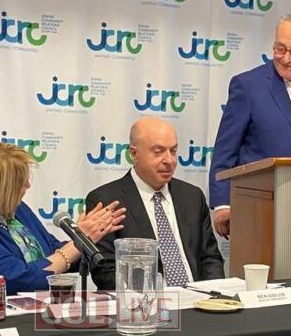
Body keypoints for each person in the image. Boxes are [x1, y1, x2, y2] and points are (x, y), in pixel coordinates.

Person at [0, 141, 126, 300]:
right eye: (19, 182)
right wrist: (79, 242)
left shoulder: (17, 210)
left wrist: (90, 238)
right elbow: (22, 279)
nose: (27, 185)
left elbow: (52, 250)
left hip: (32, 314)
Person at [209, 13, 291, 237]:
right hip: (260, 206)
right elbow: (225, 150)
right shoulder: (248, 85)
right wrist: (222, 204)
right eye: (280, 48)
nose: (286, 58)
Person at [86, 117, 225, 290]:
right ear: (134, 154)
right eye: (158, 152)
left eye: (173, 151)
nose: (169, 160)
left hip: (197, 299)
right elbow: (105, 272)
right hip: (143, 301)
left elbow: (210, 258)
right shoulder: (107, 200)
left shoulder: (192, 196)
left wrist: (213, 295)